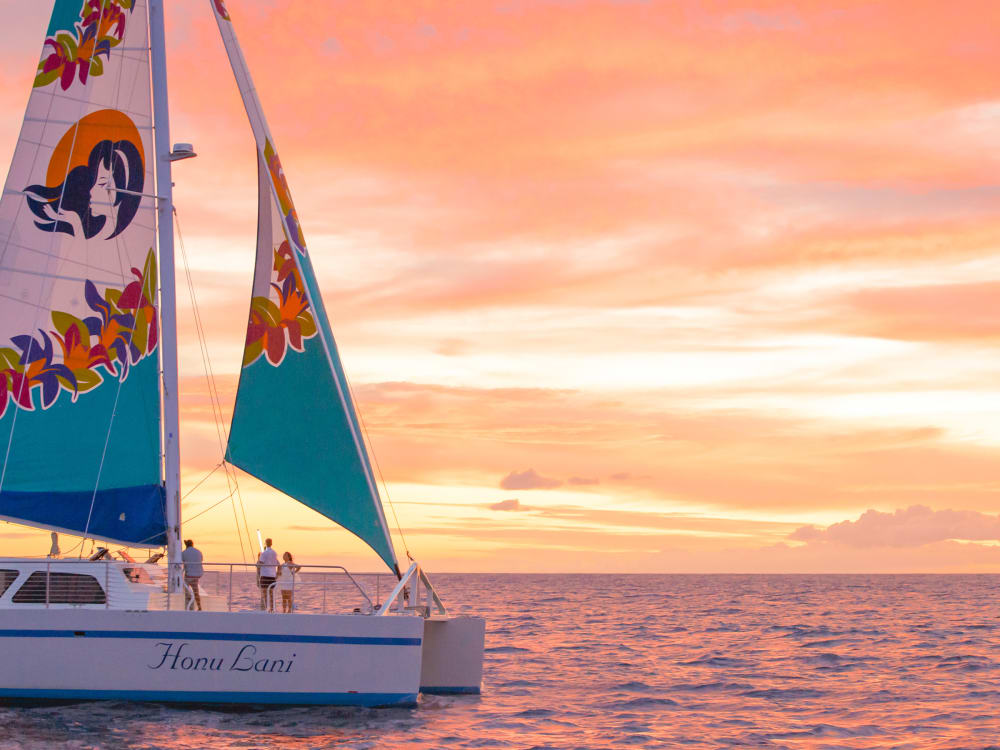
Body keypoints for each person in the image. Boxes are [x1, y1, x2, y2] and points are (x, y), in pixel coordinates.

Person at [181, 539, 204, 611]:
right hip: (197, 575)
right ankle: (199, 606)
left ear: (186, 545)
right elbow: (201, 560)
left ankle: (189, 606)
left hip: (189, 575)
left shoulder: (184, 553)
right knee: (196, 591)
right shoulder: (198, 552)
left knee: (186, 591)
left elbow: (181, 560)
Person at [257, 538, 279, 611]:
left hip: (265, 575)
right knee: (271, 593)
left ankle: (266, 608)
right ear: (271, 543)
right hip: (272, 576)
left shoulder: (264, 553)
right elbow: (278, 564)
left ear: (265, 543)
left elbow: (260, 563)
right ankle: (272, 608)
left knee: (264, 593)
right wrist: (277, 574)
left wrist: (257, 563)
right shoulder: (274, 553)